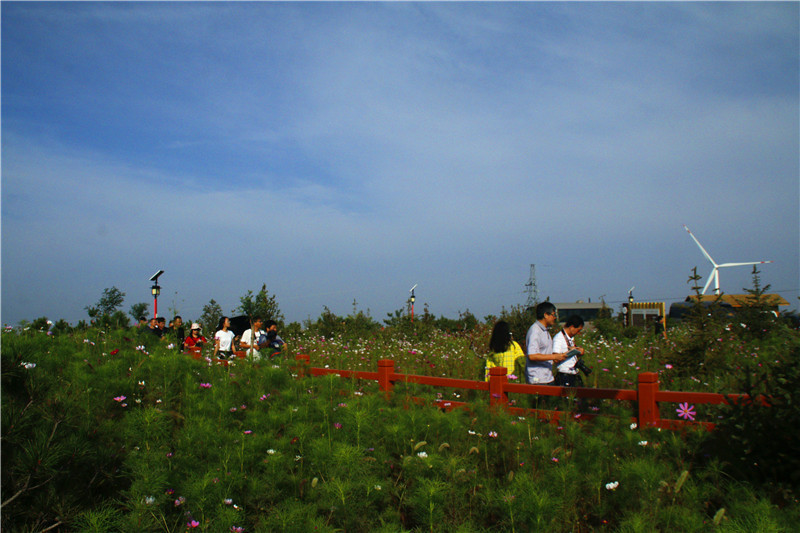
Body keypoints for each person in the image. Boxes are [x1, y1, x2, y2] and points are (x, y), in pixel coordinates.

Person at [525, 301, 568, 385]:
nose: (555, 317)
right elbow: (532, 355)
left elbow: (545, 353)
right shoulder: (535, 331)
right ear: (545, 315)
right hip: (538, 379)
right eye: (553, 315)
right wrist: (554, 356)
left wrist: (559, 357)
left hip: (547, 377)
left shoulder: (545, 331)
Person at [553, 315, 587, 387]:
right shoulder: (559, 338)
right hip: (564, 375)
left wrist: (579, 351)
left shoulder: (570, 338)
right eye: (578, 330)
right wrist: (569, 353)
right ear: (571, 327)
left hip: (574, 373)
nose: (578, 333)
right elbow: (555, 358)